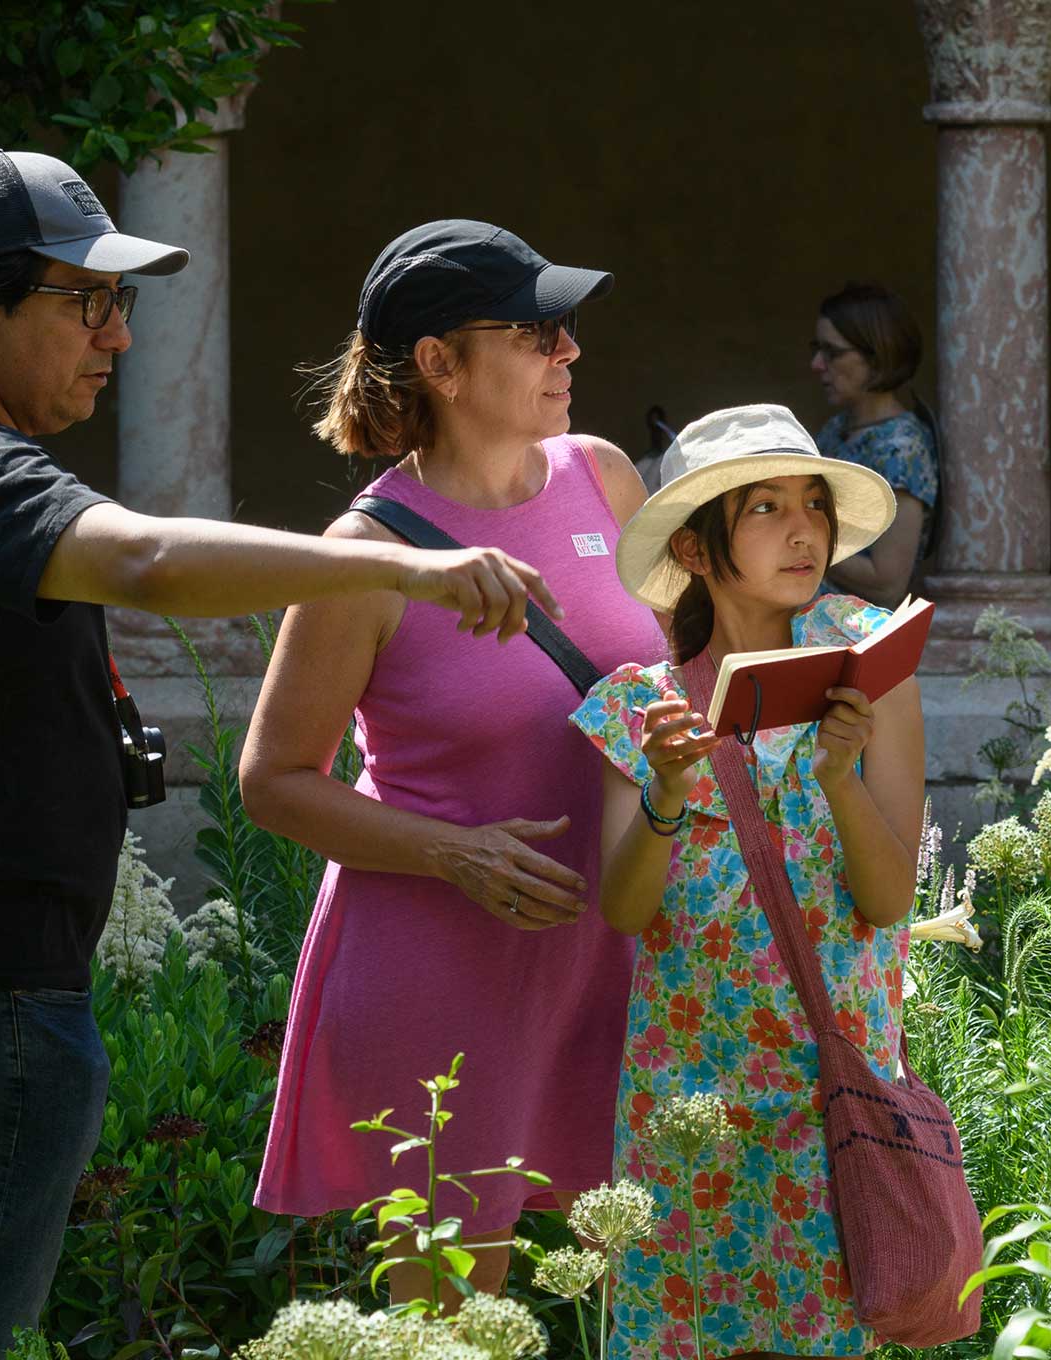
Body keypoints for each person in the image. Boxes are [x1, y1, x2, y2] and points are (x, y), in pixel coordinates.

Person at [0, 153, 556, 1357]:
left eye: (122, 304)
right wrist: (402, 565)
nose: (119, 339)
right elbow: (147, 562)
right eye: (83, 303)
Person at [243, 220, 663, 1305]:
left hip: (615, 949)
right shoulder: (367, 552)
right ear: (439, 362)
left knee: (638, 1297)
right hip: (445, 958)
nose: (569, 353)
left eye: (566, 330)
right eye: (536, 332)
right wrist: (455, 853)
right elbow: (273, 779)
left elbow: (676, 674)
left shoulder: (607, 477)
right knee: (443, 1314)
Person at [571, 403, 925, 1357]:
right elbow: (624, 909)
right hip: (691, 1106)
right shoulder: (642, 709)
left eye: (813, 501)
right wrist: (667, 791)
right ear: (693, 547)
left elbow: (890, 903)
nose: (803, 528)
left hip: (833, 1097)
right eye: (764, 507)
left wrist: (839, 779)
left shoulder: (870, 660)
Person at [807, 282, 937, 607]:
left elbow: (887, 583)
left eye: (833, 352)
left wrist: (798, 547)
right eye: (816, 350)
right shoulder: (836, 430)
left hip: (855, 631)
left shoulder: (903, 447)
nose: (817, 365)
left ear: (877, 354)